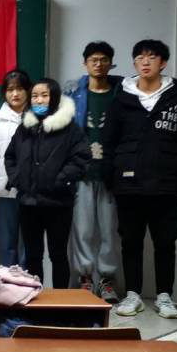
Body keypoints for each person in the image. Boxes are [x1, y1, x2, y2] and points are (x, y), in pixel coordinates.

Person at [102, 39, 177, 320]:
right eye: (140, 58)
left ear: (163, 63)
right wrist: (110, 179)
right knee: (130, 241)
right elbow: (108, 143)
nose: (145, 62)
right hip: (128, 183)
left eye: (152, 57)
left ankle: (164, 296)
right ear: (134, 63)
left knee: (165, 242)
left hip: (165, 183)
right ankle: (132, 294)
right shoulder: (121, 99)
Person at [4, 78, 90, 288]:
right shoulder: (25, 128)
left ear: (55, 98)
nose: (39, 100)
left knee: (58, 254)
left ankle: (60, 300)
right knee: (33, 255)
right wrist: (17, 179)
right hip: (28, 203)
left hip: (58, 203)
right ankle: (36, 296)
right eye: (35, 96)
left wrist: (59, 181)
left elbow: (81, 159)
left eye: (44, 95)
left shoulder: (70, 129)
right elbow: (10, 156)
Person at [64, 41, 122, 301]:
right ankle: (85, 279)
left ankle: (107, 281)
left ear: (110, 63)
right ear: (85, 63)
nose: (98, 64)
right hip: (82, 173)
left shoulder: (122, 93)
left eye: (103, 59)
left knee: (110, 231)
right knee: (82, 230)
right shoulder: (73, 94)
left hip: (111, 173)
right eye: (93, 60)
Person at [0, 68, 31, 268]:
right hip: (4, 191)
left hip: (34, 191)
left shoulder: (41, 119)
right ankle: (8, 282)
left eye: (20, 89)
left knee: (30, 244)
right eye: (10, 90)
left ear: (28, 90)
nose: (15, 94)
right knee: (7, 245)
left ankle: (28, 282)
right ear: (4, 93)